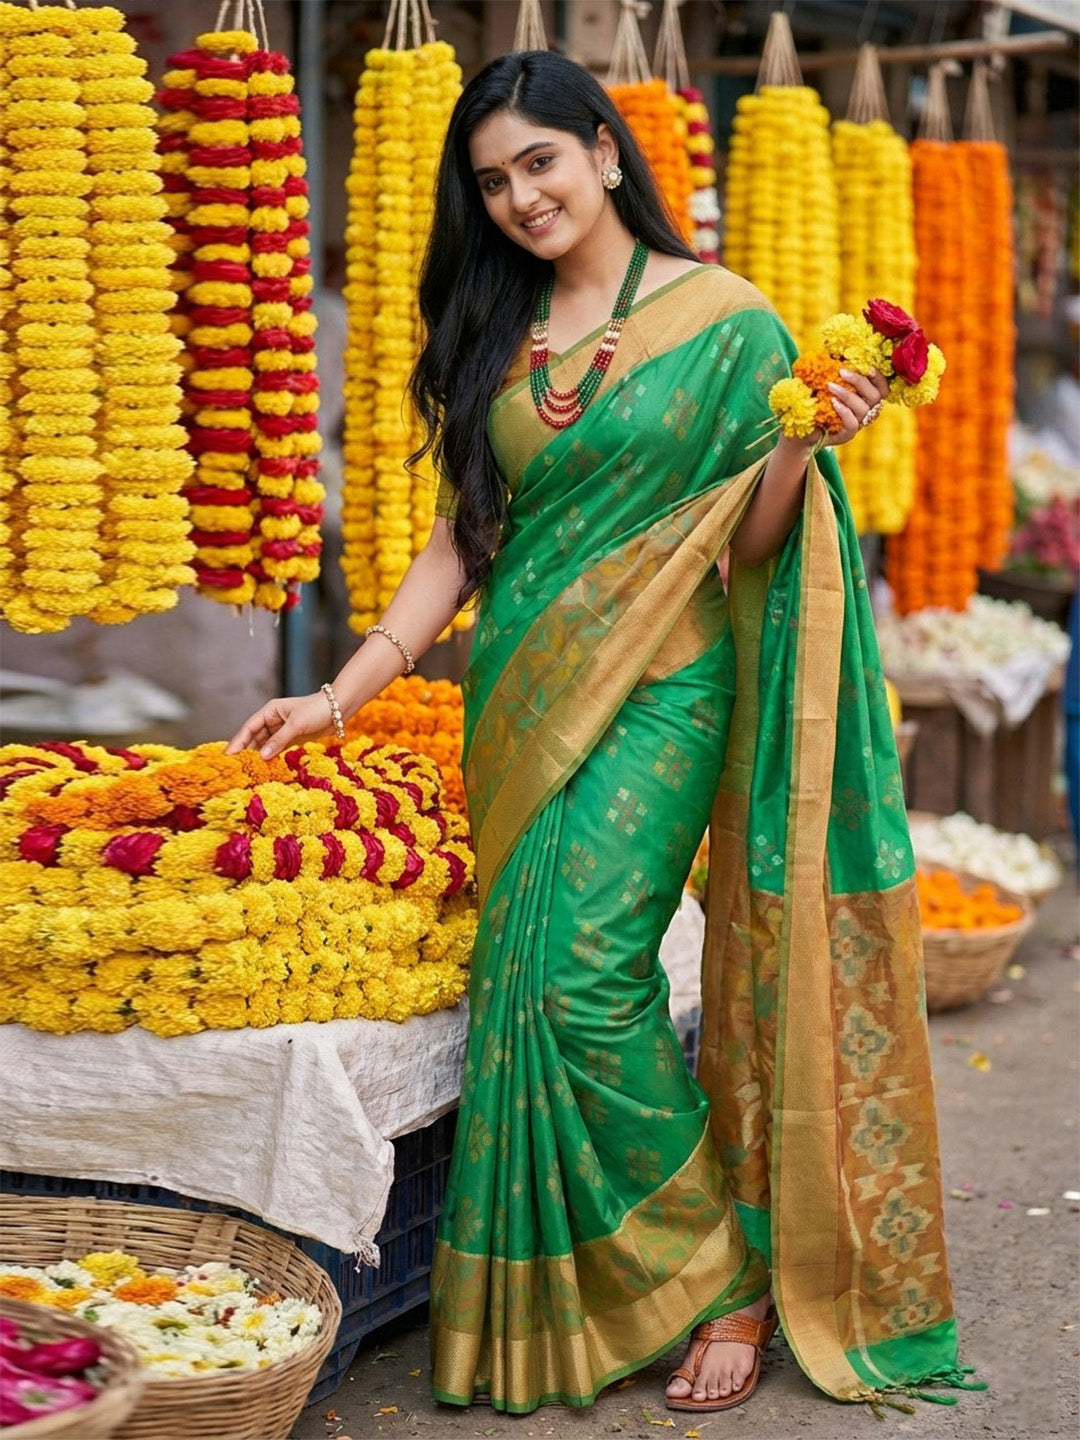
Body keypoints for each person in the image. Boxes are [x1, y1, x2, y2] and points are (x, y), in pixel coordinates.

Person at [227, 50, 982, 1419]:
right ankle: (603, 1284)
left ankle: (726, 1277)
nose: (521, 198)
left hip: (664, 687)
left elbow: (747, 544)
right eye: (494, 180)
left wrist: (805, 447)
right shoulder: (493, 331)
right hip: (518, 691)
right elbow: (467, 541)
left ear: (607, 155)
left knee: (584, 975)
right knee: (522, 981)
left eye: (541, 163)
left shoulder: (727, 318)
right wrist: (342, 690)